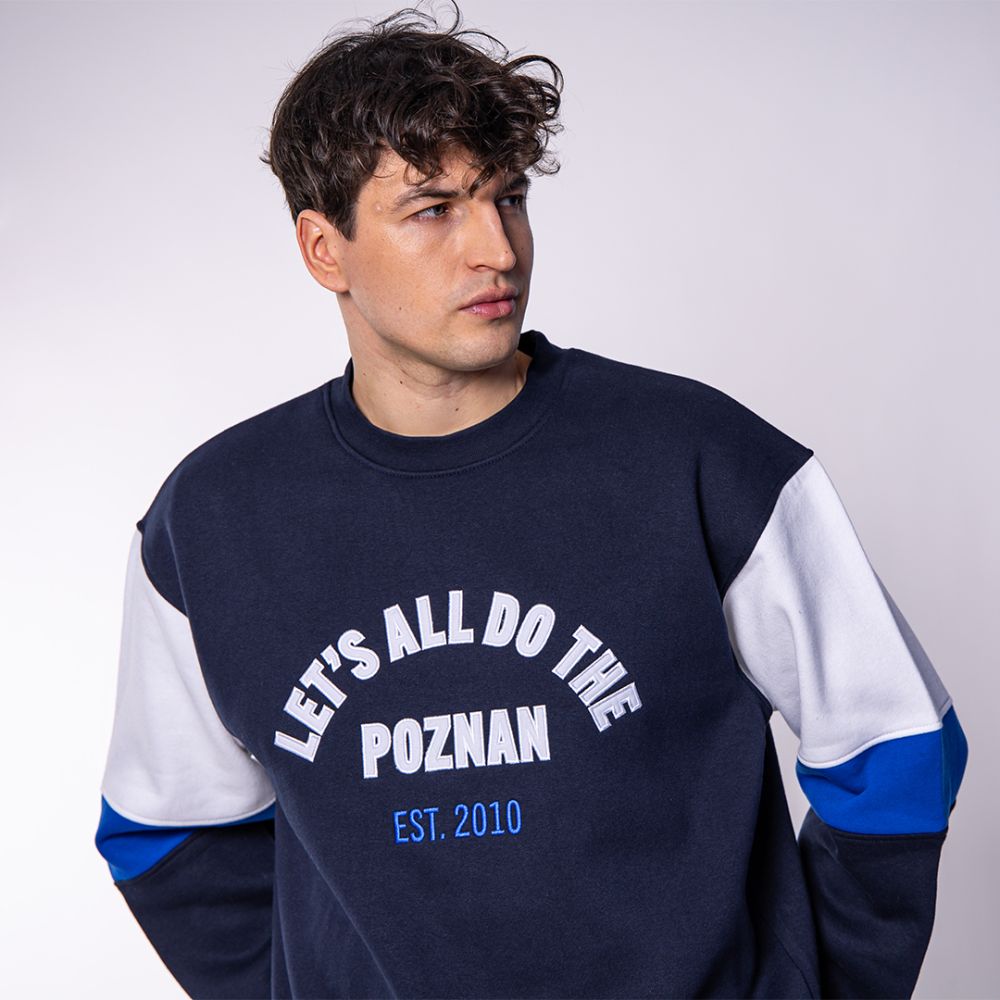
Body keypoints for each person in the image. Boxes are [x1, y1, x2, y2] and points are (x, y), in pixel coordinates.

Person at [94, 3, 968, 998]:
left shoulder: (699, 458)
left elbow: (897, 746)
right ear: (323, 247)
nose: (498, 251)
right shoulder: (214, 520)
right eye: (434, 210)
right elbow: (167, 833)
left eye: (506, 198)